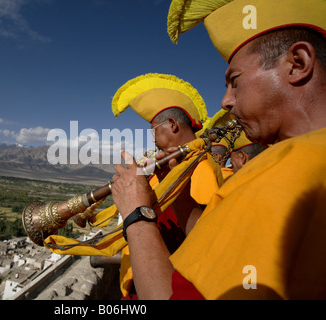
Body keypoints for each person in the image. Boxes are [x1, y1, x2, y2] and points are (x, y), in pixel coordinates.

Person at [111, 0, 326, 299]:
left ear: (297, 63)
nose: (226, 100)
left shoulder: (294, 167)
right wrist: (181, 195)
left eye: (234, 82)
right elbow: (215, 241)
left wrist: (136, 213)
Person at [111, 73, 223, 299]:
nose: (152, 141)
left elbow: (202, 239)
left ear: (172, 125)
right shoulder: (180, 166)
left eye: (154, 132)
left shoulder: (202, 167)